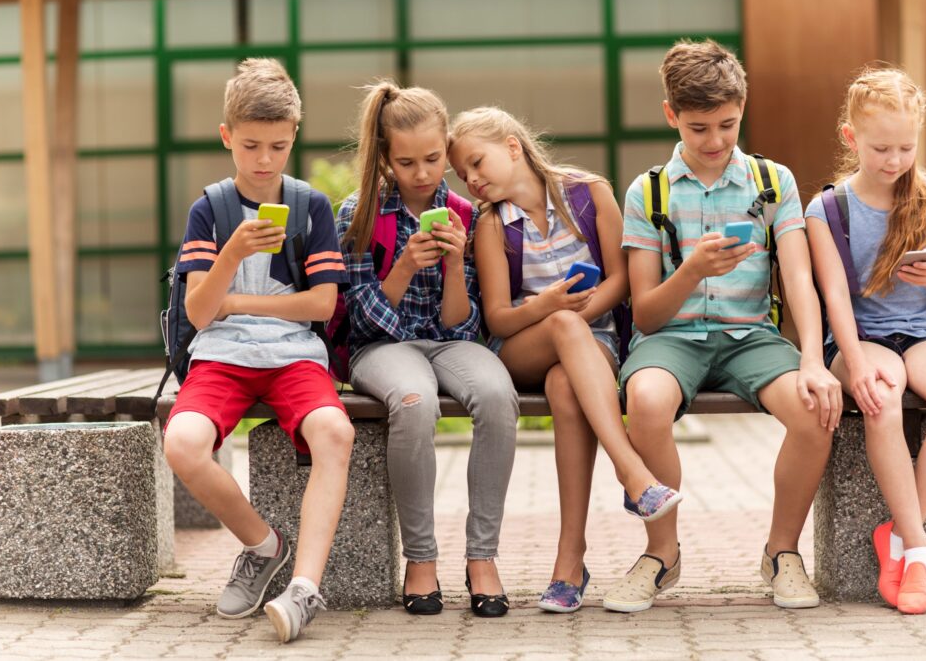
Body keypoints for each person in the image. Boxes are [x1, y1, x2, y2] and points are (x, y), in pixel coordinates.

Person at [609, 39, 842, 612]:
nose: (714, 142)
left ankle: (782, 553)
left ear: (743, 108)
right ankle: (662, 555)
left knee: (816, 408)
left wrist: (812, 359)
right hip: (670, 339)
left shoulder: (772, 183)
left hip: (752, 339)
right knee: (645, 400)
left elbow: (799, 280)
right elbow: (645, 313)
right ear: (671, 116)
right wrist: (690, 270)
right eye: (697, 128)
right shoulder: (649, 191)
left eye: (727, 125)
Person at [449, 107, 681, 614]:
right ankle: (633, 473)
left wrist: (580, 310)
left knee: (564, 389)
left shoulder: (590, 192)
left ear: (512, 146)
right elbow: (499, 319)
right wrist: (549, 307)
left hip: (593, 342)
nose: (471, 179)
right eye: (462, 174)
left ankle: (568, 562)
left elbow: (621, 280)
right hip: (522, 346)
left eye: (476, 163)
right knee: (561, 329)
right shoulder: (491, 226)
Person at [162, 58, 353, 643]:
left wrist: (240, 305)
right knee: (183, 444)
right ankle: (263, 544)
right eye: (250, 146)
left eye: (276, 144)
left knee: (336, 434)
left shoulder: (311, 206)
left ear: (294, 133)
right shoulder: (210, 210)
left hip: (295, 357)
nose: (264, 159)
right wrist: (231, 256)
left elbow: (322, 306)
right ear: (227, 138)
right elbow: (198, 312)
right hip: (221, 357)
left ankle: (304, 589)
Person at [335, 81, 519, 618]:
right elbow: (363, 320)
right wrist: (405, 267)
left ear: (447, 149)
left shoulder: (469, 211)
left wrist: (453, 264)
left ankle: (482, 557)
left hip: (447, 340)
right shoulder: (360, 213)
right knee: (415, 404)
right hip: (382, 347)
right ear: (387, 158)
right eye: (407, 161)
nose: (422, 173)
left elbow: (464, 325)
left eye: (434, 159)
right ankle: (421, 559)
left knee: (495, 394)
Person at [806, 67, 926, 615]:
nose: (895, 160)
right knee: (882, 395)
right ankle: (920, 549)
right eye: (881, 147)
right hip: (862, 335)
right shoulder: (828, 209)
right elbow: (834, 298)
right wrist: (853, 365)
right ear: (850, 138)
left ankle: (900, 536)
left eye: (906, 146)